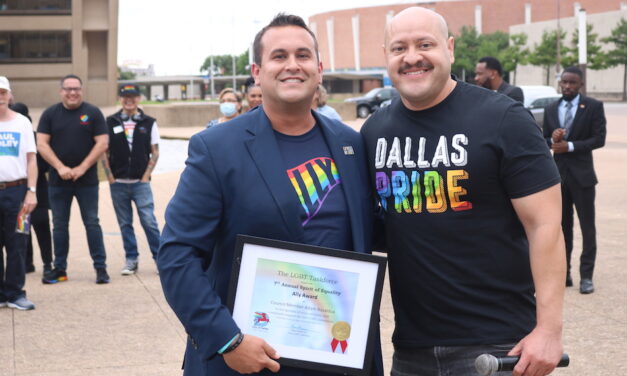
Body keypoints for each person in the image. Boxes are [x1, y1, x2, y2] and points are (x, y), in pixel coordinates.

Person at [158, 13, 383, 376]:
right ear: (257, 71)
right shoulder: (216, 148)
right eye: (279, 56)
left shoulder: (351, 144)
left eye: (303, 55)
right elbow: (177, 255)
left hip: (336, 355)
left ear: (320, 69)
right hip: (246, 359)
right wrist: (226, 339)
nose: (292, 65)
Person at [361, 7, 565, 376]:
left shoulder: (504, 119)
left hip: (498, 344)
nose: (412, 58)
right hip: (410, 348)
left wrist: (549, 329)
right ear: (386, 56)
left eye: (425, 44)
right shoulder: (374, 131)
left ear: (450, 49)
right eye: (399, 48)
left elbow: (545, 226)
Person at [37, 74, 110, 284]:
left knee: (92, 223)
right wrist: (60, 167)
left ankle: (100, 269)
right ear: (61, 91)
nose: (72, 93)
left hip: (86, 182)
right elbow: (42, 144)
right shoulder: (50, 114)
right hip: (59, 182)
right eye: (68, 89)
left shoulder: (92, 113)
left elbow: (102, 143)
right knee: (59, 226)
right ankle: (59, 269)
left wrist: (82, 167)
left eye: (76, 89)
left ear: (81, 90)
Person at [542, 66, 606, 294]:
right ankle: (565, 274)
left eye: (572, 83)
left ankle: (586, 277)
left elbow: (599, 139)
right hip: (557, 177)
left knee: (588, 228)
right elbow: (542, 139)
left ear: (580, 84)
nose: (568, 86)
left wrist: (569, 145)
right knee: (562, 228)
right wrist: (552, 139)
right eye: (564, 82)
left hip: (583, 177)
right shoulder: (551, 108)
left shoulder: (593, 106)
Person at [101, 84, 161, 275]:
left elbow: (155, 152)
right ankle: (131, 260)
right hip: (118, 184)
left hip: (140, 184)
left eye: (133, 96)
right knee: (125, 223)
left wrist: (145, 177)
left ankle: (160, 258)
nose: (129, 100)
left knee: (149, 221)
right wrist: (110, 177)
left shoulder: (149, 122)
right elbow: (103, 151)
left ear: (139, 98)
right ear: (120, 98)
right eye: (125, 96)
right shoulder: (110, 122)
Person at [0, 76, 37, 310]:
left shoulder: (22, 123)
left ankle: (15, 293)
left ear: (10, 95)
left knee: (18, 242)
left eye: (3, 93)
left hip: (18, 192)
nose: (0, 98)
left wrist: (31, 191)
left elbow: (31, 159)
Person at [9, 102, 53, 275]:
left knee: (41, 224)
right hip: (20, 191)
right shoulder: (10, 136)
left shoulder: (36, 138)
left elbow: (44, 164)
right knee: (22, 228)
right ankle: (28, 263)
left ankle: (48, 262)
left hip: (38, 189)